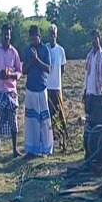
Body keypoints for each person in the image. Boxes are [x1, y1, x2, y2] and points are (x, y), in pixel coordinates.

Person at [0, 24, 22, 159]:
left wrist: (11, 75)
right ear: (1, 35)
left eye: (8, 34)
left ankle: (14, 150)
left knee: (13, 121)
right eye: (4, 34)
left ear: (10, 35)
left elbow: (19, 71)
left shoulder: (14, 52)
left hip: (11, 91)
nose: (6, 36)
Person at [22, 25, 53, 157]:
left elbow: (48, 68)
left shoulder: (45, 49)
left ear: (39, 37)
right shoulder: (27, 50)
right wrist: (31, 60)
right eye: (32, 38)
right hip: (30, 89)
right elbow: (24, 70)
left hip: (42, 89)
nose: (34, 40)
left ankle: (46, 148)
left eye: (36, 37)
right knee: (31, 121)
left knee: (44, 121)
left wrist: (37, 60)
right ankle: (32, 148)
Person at [46, 24, 68, 152]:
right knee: (48, 115)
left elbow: (62, 69)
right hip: (47, 88)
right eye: (50, 33)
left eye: (54, 33)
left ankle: (63, 141)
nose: (52, 35)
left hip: (57, 87)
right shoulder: (45, 49)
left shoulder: (61, 50)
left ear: (56, 34)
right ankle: (50, 141)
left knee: (60, 115)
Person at [83, 29, 102, 118]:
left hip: (97, 93)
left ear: (99, 39)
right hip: (89, 92)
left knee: (97, 118)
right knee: (89, 117)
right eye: (92, 39)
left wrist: (101, 96)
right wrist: (85, 91)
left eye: (95, 39)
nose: (93, 41)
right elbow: (86, 75)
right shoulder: (89, 56)